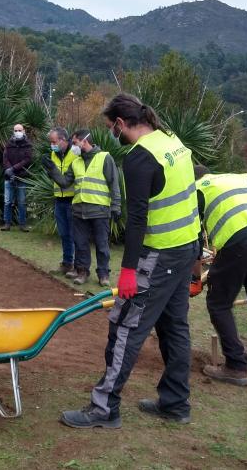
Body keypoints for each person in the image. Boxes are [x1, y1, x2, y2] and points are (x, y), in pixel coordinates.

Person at [61, 94, 200, 429]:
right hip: (185, 248)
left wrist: (127, 272)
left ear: (121, 124)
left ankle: (104, 408)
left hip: (159, 254)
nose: (113, 134)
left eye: (111, 128)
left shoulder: (139, 159)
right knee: (174, 327)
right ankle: (175, 403)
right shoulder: (172, 141)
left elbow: (136, 219)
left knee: (124, 326)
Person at [193, 165, 247, 386]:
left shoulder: (199, 188)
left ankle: (236, 366)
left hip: (239, 242)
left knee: (218, 303)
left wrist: (195, 278)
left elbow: (193, 234)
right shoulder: (239, 179)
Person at [43, 129, 121, 286]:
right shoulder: (76, 162)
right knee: (80, 244)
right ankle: (82, 272)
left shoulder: (104, 158)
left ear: (84, 141)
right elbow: (65, 183)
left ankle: (103, 274)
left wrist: (116, 205)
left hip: (99, 211)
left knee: (102, 244)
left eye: (75, 142)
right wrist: (52, 169)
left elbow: (114, 183)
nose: (73, 146)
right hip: (79, 211)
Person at [46, 127, 76, 275]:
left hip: (73, 199)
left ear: (63, 139)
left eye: (54, 141)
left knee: (74, 234)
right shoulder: (53, 153)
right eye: (51, 142)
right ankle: (66, 263)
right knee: (64, 234)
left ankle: (78, 266)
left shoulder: (75, 153)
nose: (52, 145)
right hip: (59, 199)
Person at [1, 124, 33, 232]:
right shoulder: (9, 144)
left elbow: (27, 159)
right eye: (16, 130)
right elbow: (5, 158)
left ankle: (22, 224)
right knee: (7, 201)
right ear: (13, 131)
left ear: (24, 131)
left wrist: (13, 168)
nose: (17, 132)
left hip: (22, 176)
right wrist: (9, 170)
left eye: (19, 130)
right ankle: (7, 223)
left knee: (22, 202)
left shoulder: (28, 145)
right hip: (9, 177)